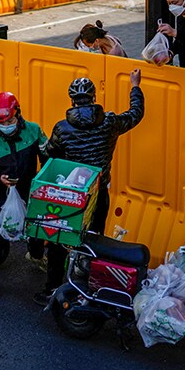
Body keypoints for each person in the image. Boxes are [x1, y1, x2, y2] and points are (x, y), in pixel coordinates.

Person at [35, 72, 144, 306]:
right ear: (94, 97)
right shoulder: (110, 122)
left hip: (71, 195)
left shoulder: (62, 128)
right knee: (94, 240)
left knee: (59, 241)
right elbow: (136, 114)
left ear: (72, 100)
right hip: (98, 193)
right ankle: (92, 288)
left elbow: (48, 153)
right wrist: (135, 86)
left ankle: (52, 289)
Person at [0, 92, 48, 299]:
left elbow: (48, 156)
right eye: (1, 122)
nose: (6, 124)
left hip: (29, 191)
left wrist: (44, 180)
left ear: (18, 114)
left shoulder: (33, 131)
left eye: (10, 120)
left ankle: (35, 256)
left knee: (36, 230)